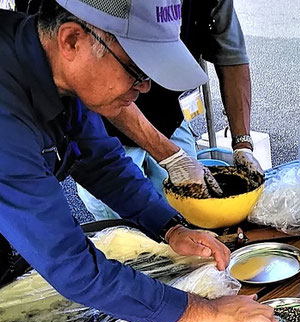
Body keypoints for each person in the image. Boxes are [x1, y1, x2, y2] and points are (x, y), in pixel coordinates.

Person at [0, 0, 276, 322]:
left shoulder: (61, 75)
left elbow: (101, 162)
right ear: (72, 40)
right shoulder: (6, 117)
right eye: (136, 71)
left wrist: (172, 228)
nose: (145, 88)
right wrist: (208, 312)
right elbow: (72, 266)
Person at [76, 0, 262, 220]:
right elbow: (103, 86)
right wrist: (172, 157)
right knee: (129, 228)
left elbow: (232, 56)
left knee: (189, 208)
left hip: (169, 116)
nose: (145, 85)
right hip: (106, 126)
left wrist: (242, 144)